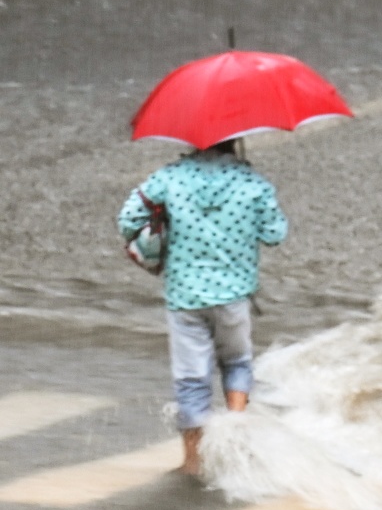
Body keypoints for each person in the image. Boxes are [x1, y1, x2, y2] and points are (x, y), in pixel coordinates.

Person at [118, 139, 287, 477]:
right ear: (234, 141)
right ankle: (236, 437)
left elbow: (127, 221)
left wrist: (166, 217)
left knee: (192, 378)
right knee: (237, 362)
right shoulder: (253, 184)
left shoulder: (168, 178)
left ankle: (192, 461)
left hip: (185, 296)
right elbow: (275, 233)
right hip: (234, 294)